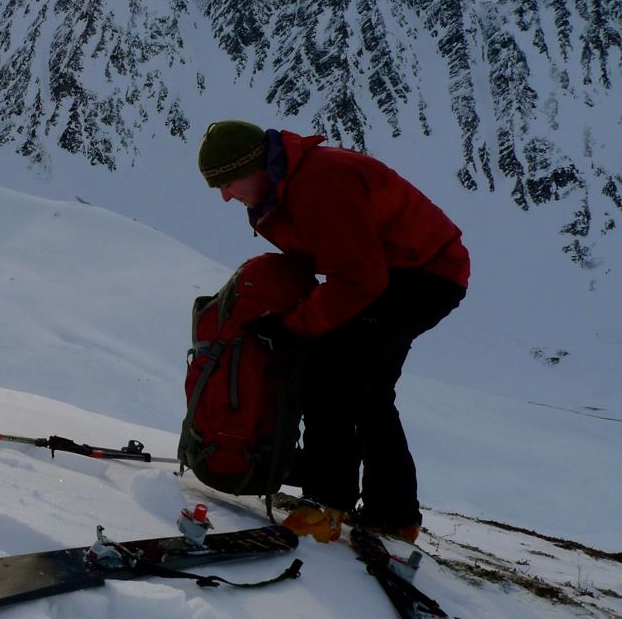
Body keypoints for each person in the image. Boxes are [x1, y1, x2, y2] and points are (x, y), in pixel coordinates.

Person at [197, 120, 470, 543]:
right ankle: (393, 514)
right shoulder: (284, 187)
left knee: (333, 375)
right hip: (404, 272)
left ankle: (325, 504)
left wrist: (294, 325)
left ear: (255, 166)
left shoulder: (320, 183)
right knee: (369, 389)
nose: (225, 196)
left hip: (420, 275)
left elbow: (360, 278)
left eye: (228, 182)